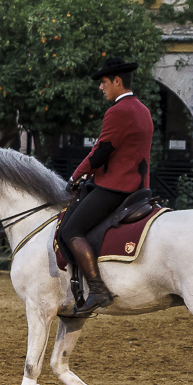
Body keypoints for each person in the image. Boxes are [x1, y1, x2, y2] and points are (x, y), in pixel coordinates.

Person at [58, 56, 153, 317]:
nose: (101, 87)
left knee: (72, 229)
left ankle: (98, 289)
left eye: (103, 82)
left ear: (117, 81)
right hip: (138, 186)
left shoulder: (118, 111)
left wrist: (75, 177)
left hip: (117, 187)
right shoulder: (142, 109)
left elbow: (101, 152)